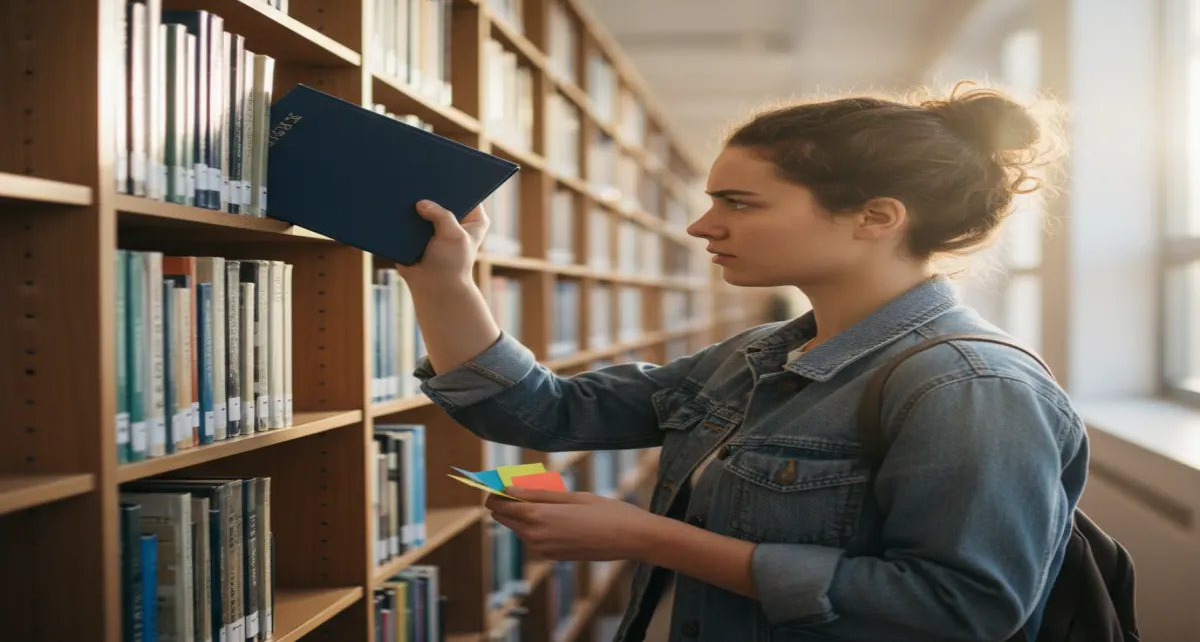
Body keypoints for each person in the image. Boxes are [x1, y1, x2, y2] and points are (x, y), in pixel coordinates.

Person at [395, 81, 1086, 642]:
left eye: (738, 202)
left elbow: (963, 611)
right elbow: (541, 412)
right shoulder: (758, 355)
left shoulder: (971, 387)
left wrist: (652, 538)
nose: (702, 226)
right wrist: (443, 279)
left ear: (876, 217)